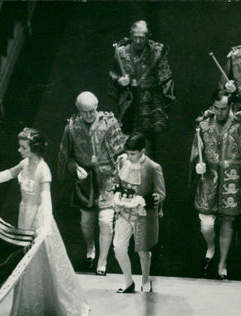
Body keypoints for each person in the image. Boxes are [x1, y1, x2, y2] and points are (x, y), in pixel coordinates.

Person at [0, 128, 89, 316]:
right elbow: (7, 174)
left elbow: (46, 198)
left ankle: (57, 308)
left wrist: (45, 226)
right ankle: (29, 309)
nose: (19, 150)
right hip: (24, 215)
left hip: (39, 218)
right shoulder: (24, 163)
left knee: (47, 261)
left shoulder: (43, 169)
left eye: (23, 147)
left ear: (33, 149)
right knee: (26, 263)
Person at [191, 90, 241, 280]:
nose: (219, 113)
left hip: (233, 179)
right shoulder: (203, 125)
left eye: (223, 109)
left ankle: (222, 265)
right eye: (216, 108)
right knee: (206, 224)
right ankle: (211, 248)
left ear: (231, 106)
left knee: (228, 222)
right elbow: (196, 151)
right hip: (209, 180)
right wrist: (197, 166)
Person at [57, 91, 126, 276]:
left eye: (93, 110)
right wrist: (73, 169)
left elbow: (121, 152)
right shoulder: (71, 127)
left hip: (107, 179)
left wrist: (123, 169)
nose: (90, 115)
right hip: (85, 181)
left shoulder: (109, 122)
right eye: (86, 111)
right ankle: (90, 249)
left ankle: (102, 261)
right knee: (86, 222)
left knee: (105, 221)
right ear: (79, 110)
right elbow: (67, 156)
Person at [108, 21, 175, 152]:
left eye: (142, 37)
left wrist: (165, 101)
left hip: (151, 103)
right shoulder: (120, 52)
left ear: (148, 36)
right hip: (129, 102)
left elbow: (165, 76)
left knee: (149, 142)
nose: (138, 41)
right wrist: (119, 81)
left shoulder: (158, 51)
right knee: (128, 140)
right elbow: (112, 74)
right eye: (135, 37)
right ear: (130, 35)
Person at [111, 134, 166, 293]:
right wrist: (117, 191)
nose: (129, 157)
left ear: (142, 151)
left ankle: (145, 279)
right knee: (118, 247)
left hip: (142, 213)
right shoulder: (122, 161)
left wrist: (150, 199)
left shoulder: (153, 167)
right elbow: (116, 181)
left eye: (133, 154)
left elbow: (161, 193)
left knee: (143, 249)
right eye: (128, 153)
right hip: (124, 210)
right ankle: (128, 281)